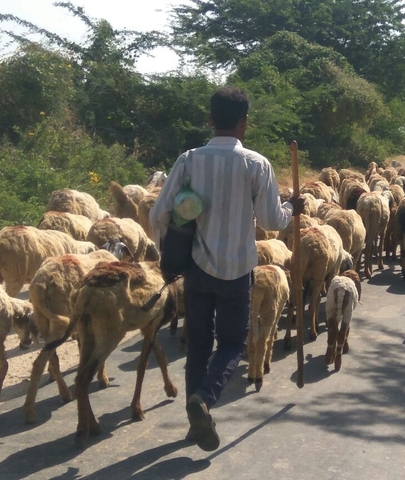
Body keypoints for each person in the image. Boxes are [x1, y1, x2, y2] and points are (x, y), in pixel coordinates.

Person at [149, 86, 306, 452]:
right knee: (234, 342)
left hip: (198, 269)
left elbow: (159, 214)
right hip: (237, 270)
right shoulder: (256, 164)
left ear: (209, 120)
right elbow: (271, 220)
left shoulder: (188, 160)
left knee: (199, 344)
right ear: (244, 123)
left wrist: (168, 252)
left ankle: (195, 420)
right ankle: (204, 399)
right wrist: (292, 209)